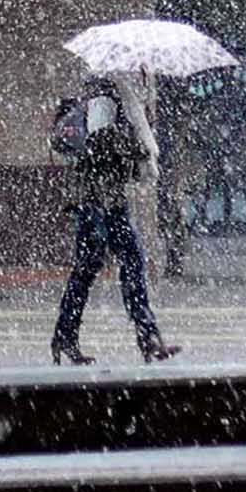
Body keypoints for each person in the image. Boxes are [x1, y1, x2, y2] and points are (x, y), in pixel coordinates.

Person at [50, 77, 177, 365]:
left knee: (113, 265)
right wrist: (138, 147)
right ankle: (141, 335)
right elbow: (100, 143)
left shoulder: (113, 98)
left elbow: (107, 153)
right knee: (106, 266)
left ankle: (144, 336)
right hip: (97, 201)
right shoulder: (103, 98)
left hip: (106, 200)